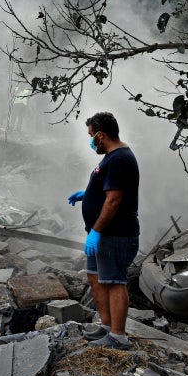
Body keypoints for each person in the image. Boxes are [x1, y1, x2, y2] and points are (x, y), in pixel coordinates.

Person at [67, 112, 140, 350]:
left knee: (114, 281)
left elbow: (114, 200)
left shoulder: (119, 159)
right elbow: (106, 190)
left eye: (91, 136)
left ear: (101, 135)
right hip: (103, 234)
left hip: (115, 234)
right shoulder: (111, 157)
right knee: (95, 276)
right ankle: (107, 326)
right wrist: (86, 195)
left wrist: (96, 230)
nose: (90, 141)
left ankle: (118, 336)